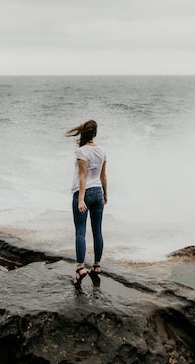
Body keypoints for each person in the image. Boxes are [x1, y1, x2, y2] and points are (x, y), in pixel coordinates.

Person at [65, 120, 107, 286]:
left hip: (83, 193)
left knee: (80, 232)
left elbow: (82, 176)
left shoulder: (81, 152)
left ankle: (80, 268)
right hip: (98, 192)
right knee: (98, 231)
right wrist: (105, 194)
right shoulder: (102, 151)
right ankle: (96, 266)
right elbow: (103, 176)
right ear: (95, 133)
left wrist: (81, 199)